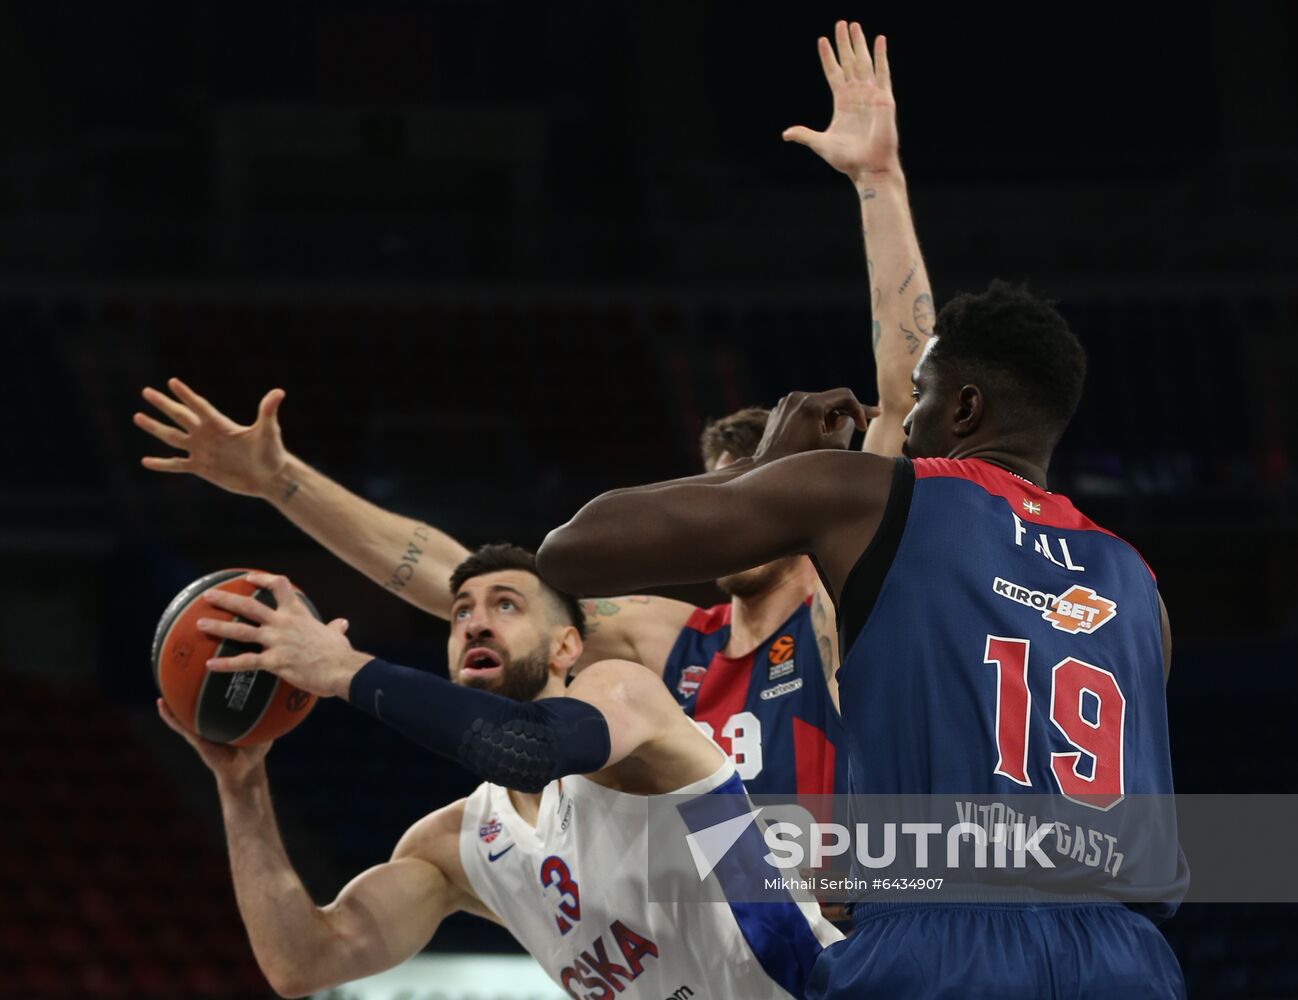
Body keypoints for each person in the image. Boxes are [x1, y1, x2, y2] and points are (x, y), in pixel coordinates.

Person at [535, 24, 1186, 999]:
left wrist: (764, 468)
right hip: (1125, 958)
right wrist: (879, 185)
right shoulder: (1138, 585)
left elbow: (573, 551)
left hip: (939, 945)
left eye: (917, 401)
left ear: (960, 408)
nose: (899, 414)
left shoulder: (873, 495)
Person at [132, 18, 932, 800]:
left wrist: (878, 184)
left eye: (760, 493)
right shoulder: (670, 639)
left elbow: (904, 395)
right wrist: (282, 482)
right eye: (727, 494)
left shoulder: (841, 608)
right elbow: (457, 578)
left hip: (856, 922)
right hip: (723, 932)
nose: (738, 513)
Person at [160, 546, 840, 999]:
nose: (476, 623)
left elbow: (526, 750)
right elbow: (302, 963)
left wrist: (343, 670)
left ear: (567, 645)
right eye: (460, 613)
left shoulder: (625, 698)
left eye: (506, 605)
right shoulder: (458, 846)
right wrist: (241, 786)